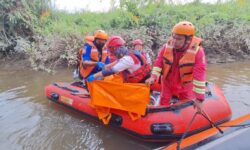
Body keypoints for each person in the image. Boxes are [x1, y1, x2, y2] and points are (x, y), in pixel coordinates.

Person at [145, 21, 206, 111]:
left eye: (179, 39)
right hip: (167, 82)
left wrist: (200, 99)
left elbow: (199, 76)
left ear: (188, 40)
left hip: (185, 84)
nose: (174, 41)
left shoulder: (198, 52)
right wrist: (153, 77)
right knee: (164, 101)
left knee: (187, 107)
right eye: (174, 37)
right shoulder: (166, 47)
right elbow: (159, 62)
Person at [86, 36, 151, 83]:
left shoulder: (127, 59)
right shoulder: (131, 53)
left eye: (113, 50)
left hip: (139, 82)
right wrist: (105, 66)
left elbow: (111, 71)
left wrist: (94, 76)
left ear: (116, 48)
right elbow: (118, 61)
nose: (113, 53)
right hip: (142, 79)